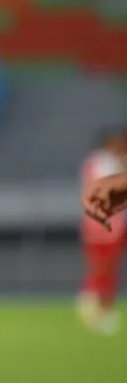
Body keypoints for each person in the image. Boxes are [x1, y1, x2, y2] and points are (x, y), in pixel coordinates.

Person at [78, 127, 127, 334]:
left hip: (97, 223)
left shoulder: (92, 162)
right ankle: (95, 307)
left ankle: (98, 307)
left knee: (104, 268)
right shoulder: (105, 162)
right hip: (107, 225)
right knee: (104, 268)